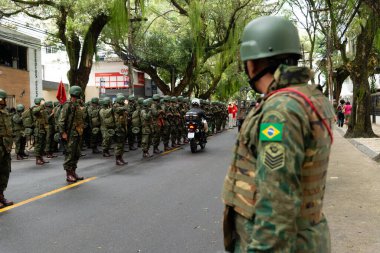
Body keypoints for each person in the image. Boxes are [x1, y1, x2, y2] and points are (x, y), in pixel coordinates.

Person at [222, 16, 335, 252]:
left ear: (251, 63)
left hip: (283, 243)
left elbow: (276, 202)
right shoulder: (309, 97)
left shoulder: (280, 110)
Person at [58, 86, 85, 183]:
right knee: (70, 154)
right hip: (70, 134)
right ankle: (68, 174)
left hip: (77, 133)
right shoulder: (67, 105)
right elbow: (61, 121)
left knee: (76, 154)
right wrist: (63, 133)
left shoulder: (76, 104)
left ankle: (73, 172)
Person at [0, 89, 14, 208]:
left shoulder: (5, 112)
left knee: (5, 171)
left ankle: (1, 196)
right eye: (4, 98)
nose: (5, 101)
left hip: (6, 146)